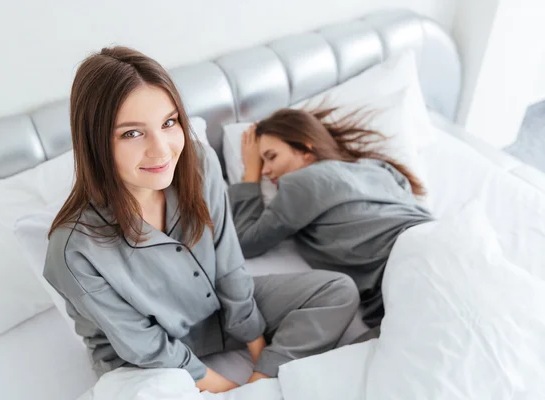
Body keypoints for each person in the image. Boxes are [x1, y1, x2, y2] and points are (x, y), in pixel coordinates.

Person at [43, 46, 361, 394]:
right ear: (95, 143)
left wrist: (259, 364)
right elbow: (144, 345)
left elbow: (228, 264)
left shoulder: (198, 164)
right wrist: (227, 389)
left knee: (339, 291)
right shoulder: (73, 250)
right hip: (143, 361)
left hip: (215, 312)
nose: (161, 149)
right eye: (132, 133)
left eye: (169, 123)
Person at [228, 107, 434, 329]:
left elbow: (246, 241)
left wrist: (250, 173)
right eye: (261, 163)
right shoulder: (376, 167)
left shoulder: (302, 182)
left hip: (411, 262)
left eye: (271, 157)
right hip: (433, 239)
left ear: (305, 148)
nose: (265, 171)